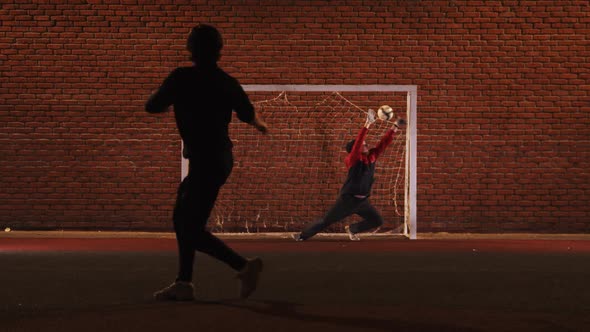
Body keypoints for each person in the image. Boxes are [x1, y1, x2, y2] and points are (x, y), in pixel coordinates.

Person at [145, 24, 268, 301]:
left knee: (188, 225)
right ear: (219, 51)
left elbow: (151, 105)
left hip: (206, 162)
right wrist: (260, 124)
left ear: (191, 50)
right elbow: (248, 114)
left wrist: (169, 101)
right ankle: (184, 282)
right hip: (218, 159)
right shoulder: (227, 81)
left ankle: (243, 266)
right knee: (182, 219)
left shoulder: (181, 78)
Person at [293, 109, 405, 241]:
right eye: (364, 144)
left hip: (363, 201)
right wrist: (367, 124)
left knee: (377, 220)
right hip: (348, 201)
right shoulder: (353, 159)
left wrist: (395, 126)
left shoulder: (371, 157)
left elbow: (383, 143)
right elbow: (358, 143)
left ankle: (353, 229)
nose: (366, 144)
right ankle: (302, 236)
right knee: (327, 221)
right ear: (354, 150)